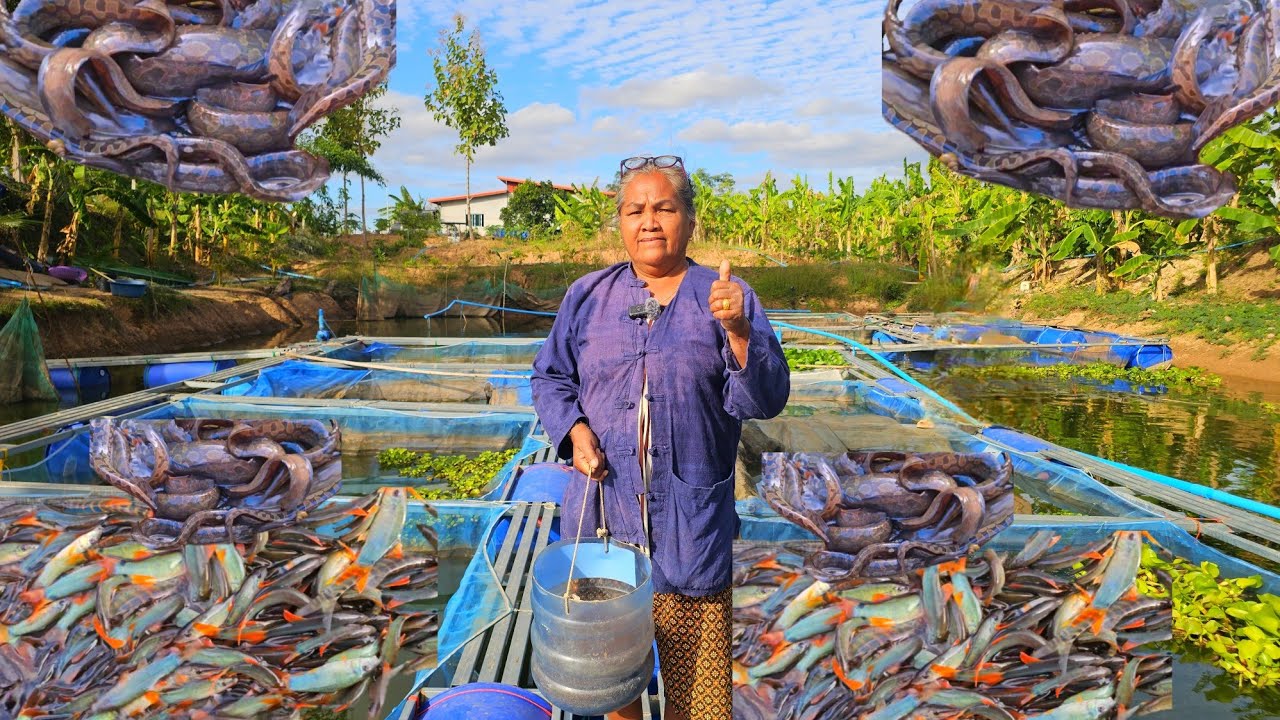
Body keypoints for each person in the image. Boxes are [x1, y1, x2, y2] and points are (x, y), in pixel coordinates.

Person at [531, 155, 790, 720]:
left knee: (698, 698)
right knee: (615, 684)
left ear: (690, 221)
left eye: (664, 208)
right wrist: (574, 431)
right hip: (604, 520)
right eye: (635, 210)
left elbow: (766, 398)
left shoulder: (726, 297)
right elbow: (551, 377)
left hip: (690, 527)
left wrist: (740, 332)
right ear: (620, 224)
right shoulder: (588, 296)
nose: (649, 221)